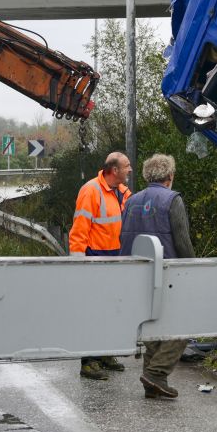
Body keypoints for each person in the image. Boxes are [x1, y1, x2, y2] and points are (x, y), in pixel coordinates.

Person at [119, 153, 195, 399]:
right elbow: (182, 240)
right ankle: (157, 373)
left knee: (153, 323)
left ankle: (151, 381)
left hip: (137, 271)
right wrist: (192, 268)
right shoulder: (172, 200)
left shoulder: (132, 201)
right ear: (170, 176)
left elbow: (124, 236)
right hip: (168, 271)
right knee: (185, 322)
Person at [69, 152, 133, 380]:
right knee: (93, 311)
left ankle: (105, 354)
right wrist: (78, 262)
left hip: (116, 258)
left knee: (111, 310)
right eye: (127, 166)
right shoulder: (91, 190)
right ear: (114, 170)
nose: (130, 170)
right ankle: (88, 362)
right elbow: (80, 229)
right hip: (94, 259)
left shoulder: (122, 192)